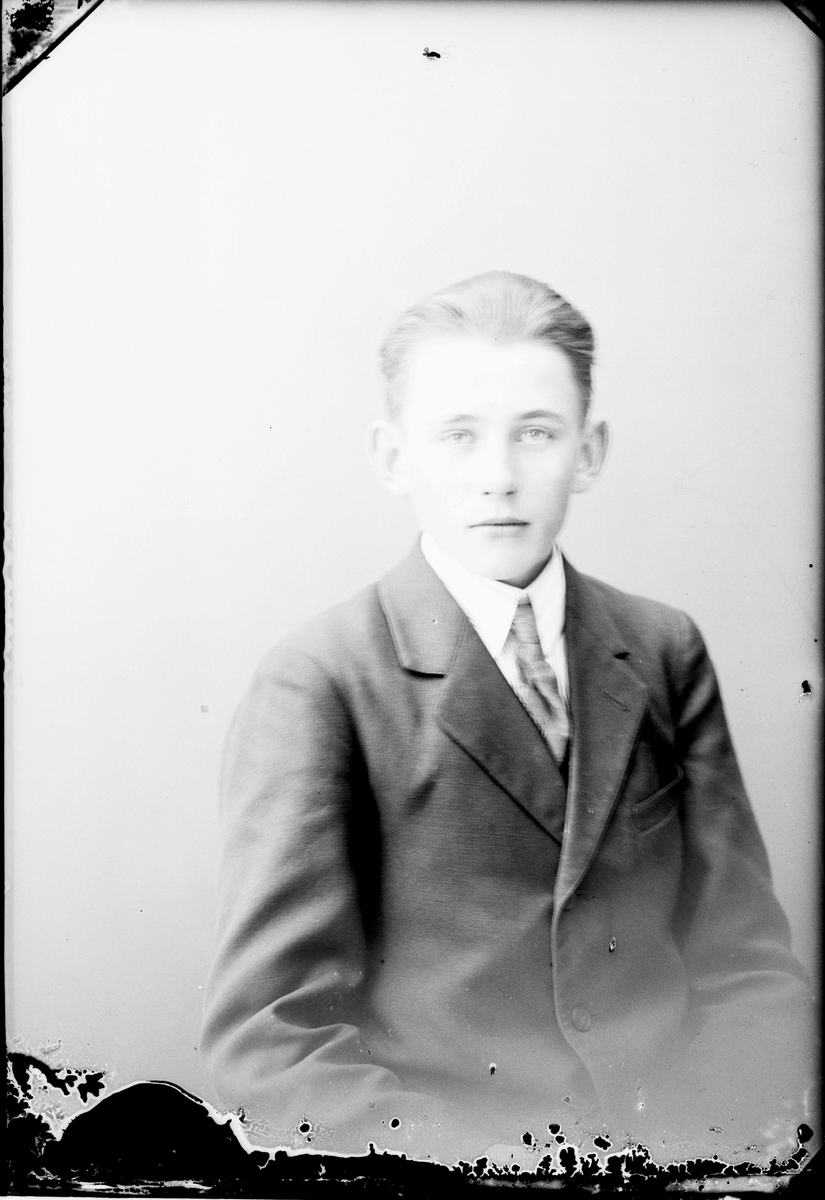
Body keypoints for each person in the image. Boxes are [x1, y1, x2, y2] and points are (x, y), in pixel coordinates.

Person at [200, 272, 814, 1166]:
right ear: (392, 457)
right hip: (448, 1179)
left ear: (589, 452)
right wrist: (519, 1174)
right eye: (457, 436)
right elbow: (269, 1044)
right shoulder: (321, 681)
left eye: (535, 433)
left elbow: (747, 967)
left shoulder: (660, 648)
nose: (497, 478)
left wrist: (686, 1152)